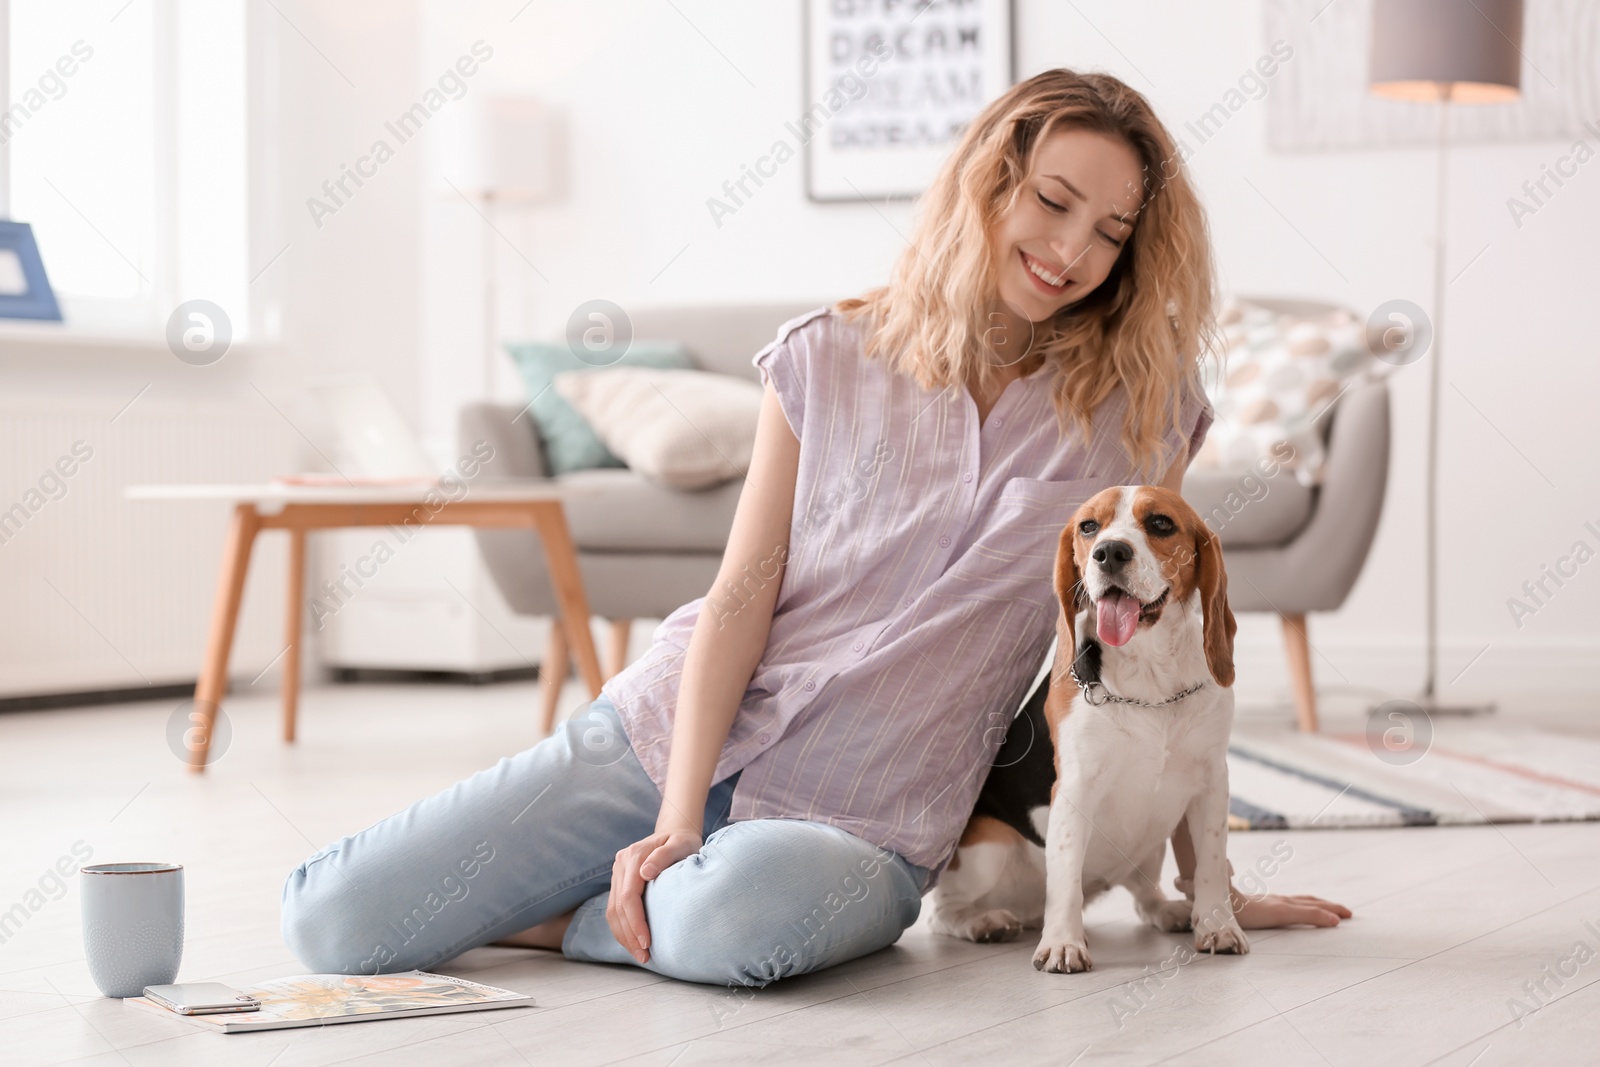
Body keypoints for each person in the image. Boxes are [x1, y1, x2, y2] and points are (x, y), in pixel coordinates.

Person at [281, 68, 1349, 989]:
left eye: (1111, 232)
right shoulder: (825, 354)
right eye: (1053, 201)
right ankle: (633, 879)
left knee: (744, 923)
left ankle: (559, 918)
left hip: (866, 819)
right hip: (664, 736)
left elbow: (1138, 653)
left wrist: (1209, 885)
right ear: (991, 180)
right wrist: (680, 816)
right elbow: (744, 587)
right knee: (331, 922)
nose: (1071, 250)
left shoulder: (1145, 406)